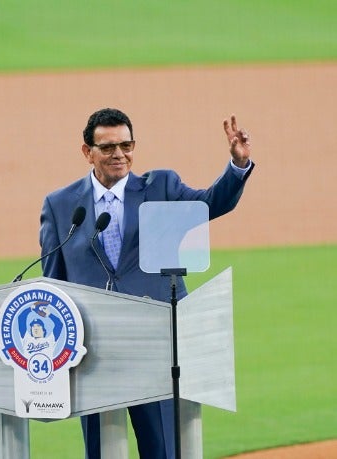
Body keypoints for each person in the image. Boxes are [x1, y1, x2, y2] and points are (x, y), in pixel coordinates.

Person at [39, 108, 254, 459]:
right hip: (92, 350)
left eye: (127, 145)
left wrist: (238, 166)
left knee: (163, 449)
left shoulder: (161, 187)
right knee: (101, 450)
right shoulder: (60, 205)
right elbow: (53, 280)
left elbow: (210, 204)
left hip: (154, 344)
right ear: (87, 152)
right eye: (108, 147)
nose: (119, 154)